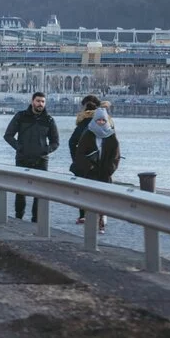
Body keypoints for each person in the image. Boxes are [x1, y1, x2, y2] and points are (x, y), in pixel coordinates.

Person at [3, 92, 59, 222]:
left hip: (41, 160)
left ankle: (36, 220)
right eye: (38, 101)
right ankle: (18, 217)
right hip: (23, 158)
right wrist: (20, 148)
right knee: (20, 190)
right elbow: (8, 135)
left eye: (43, 102)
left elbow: (55, 141)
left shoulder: (49, 120)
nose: (40, 104)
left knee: (39, 192)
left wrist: (46, 150)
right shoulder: (21, 116)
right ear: (32, 101)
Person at [71, 108, 121, 234]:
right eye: (98, 120)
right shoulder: (88, 134)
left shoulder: (111, 136)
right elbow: (80, 154)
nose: (100, 122)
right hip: (91, 174)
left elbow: (116, 157)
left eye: (103, 120)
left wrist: (110, 169)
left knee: (103, 200)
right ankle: (92, 222)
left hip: (105, 174)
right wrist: (89, 167)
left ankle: (101, 223)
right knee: (91, 199)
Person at [68, 95, 100, 224]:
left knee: (81, 191)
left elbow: (71, 143)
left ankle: (82, 215)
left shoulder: (82, 124)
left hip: (82, 164)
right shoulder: (103, 123)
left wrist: (76, 159)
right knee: (98, 191)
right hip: (98, 163)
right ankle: (99, 218)